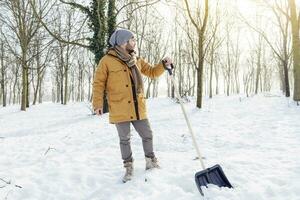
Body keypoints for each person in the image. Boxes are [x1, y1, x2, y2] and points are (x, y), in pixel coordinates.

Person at [92, 28, 172, 183]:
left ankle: (150, 161)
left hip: (138, 107)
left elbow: (152, 72)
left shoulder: (136, 60)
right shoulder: (106, 61)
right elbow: (98, 83)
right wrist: (98, 104)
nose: (134, 42)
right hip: (119, 107)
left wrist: (163, 64)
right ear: (123, 42)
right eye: (132, 40)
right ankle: (128, 167)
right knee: (124, 139)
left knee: (147, 134)